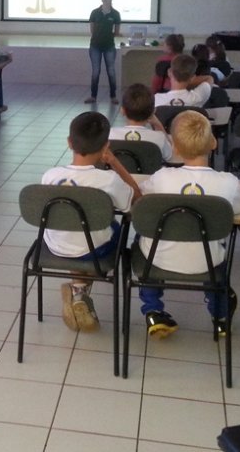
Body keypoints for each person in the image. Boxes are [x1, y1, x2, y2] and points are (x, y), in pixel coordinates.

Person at [139, 111, 240, 336]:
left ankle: (153, 310)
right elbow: (239, 210)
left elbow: (142, 200)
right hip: (208, 261)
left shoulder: (161, 178)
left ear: (175, 149)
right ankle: (220, 316)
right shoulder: (229, 183)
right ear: (214, 142)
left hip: (158, 260)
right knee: (214, 247)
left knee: (144, 240)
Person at [41, 111, 139, 331]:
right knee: (110, 231)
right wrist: (114, 162)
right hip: (93, 251)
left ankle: (78, 291)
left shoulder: (50, 175)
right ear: (106, 146)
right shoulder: (108, 180)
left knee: (76, 230)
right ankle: (79, 292)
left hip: (54, 246)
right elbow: (135, 199)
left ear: (69, 142)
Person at [108, 83, 173, 162]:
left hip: (116, 174)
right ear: (153, 112)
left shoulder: (110, 135)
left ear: (122, 110)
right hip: (151, 175)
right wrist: (158, 125)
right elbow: (170, 156)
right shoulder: (159, 138)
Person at [85, 0, 121, 104]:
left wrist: (107, 37)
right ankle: (93, 96)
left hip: (109, 46)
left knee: (111, 71)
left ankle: (113, 96)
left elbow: (116, 32)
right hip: (95, 46)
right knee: (96, 71)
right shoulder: (94, 12)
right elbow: (92, 29)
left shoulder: (115, 14)